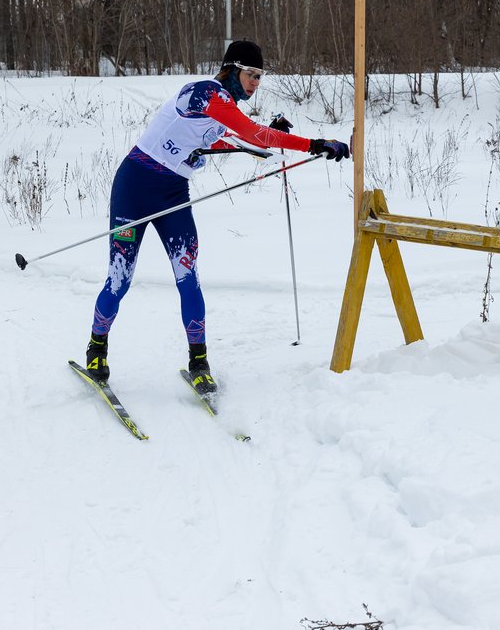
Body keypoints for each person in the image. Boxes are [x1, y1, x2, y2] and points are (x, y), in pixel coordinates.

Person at [85, 40, 349, 395]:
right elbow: (251, 133)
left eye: (260, 76)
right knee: (120, 278)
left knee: (187, 276)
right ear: (231, 69)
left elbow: (245, 142)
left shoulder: (225, 109)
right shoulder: (205, 93)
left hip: (172, 193)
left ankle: (199, 361)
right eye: (251, 74)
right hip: (134, 187)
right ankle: (96, 349)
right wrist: (314, 143)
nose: (255, 82)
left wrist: (277, 137)